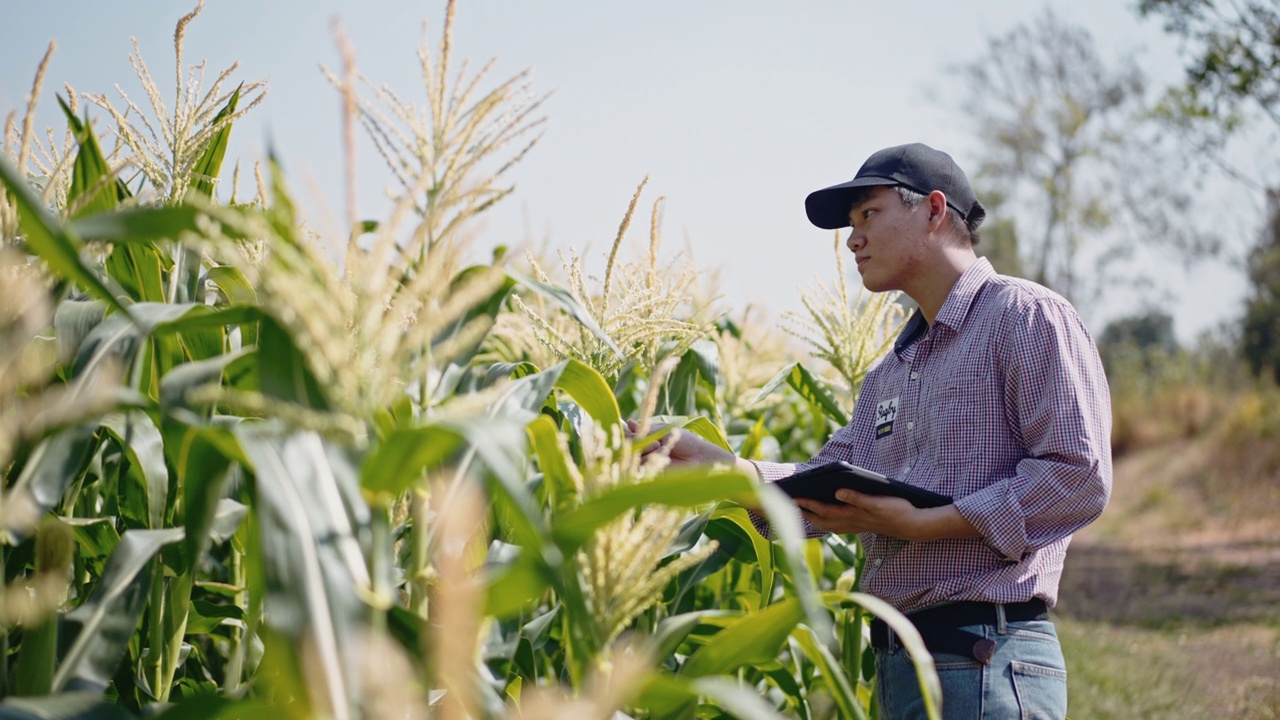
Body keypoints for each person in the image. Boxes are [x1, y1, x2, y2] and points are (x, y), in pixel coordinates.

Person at [641, 143, 1112, 719]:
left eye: (869, 215)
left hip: (986, 656)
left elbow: (1078, 474)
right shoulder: (890, 373)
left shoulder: (1025, 317)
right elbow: (821, 489)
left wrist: (926, 524)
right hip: (899, 665)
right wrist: (719, 467)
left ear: (934, 211)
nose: (852, 239)